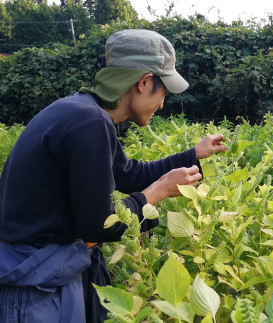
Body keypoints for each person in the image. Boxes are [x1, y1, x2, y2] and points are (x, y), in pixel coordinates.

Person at [0, 29, 227, 322]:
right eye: (164, 93)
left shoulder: (84, 113)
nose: (162, 104)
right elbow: (99, 225)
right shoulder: (89, 121)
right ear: (144, 82)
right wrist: (156, 193)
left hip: (39, 269)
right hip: (34, 284)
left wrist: (194, 154)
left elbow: (127, 174)